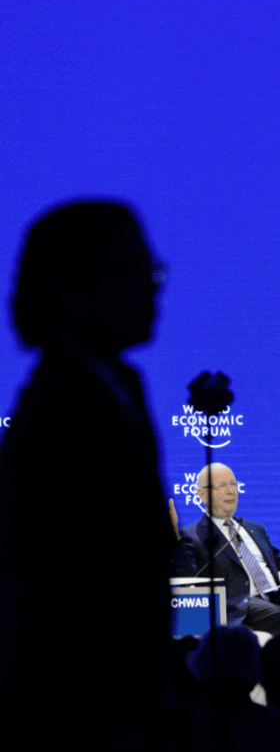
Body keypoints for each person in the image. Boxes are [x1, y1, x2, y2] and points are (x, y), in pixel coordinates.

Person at [0, 199, 171, 749]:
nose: (153, 286)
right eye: (132, 270)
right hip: (81, 708)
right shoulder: (57, 411)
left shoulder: (122, 382)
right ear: (70, 288)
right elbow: (67, 582)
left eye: (154, 269)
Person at [174, 462, 280, 636]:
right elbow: (186, 581)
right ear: (202, 494)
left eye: (233, 484)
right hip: (240, 605)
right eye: (221, 485)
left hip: (276, 596)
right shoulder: (191, 535)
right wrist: (174, 540)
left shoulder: (254, 529)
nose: (231, 490)